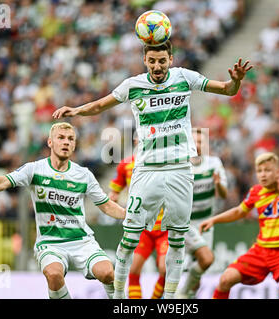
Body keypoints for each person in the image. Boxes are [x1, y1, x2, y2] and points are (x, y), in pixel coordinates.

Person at [53, 40, 253, 299]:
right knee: (129, 237)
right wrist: (76, 110)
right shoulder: (133, 85)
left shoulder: (185, 77)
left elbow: (227, 90)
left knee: (178, 239)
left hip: (180, 168)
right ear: (144, 61)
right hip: (146, 169)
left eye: (162, 60)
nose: (157, 66)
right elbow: (101, 105)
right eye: (152, 61)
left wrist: (236, 82)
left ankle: (169, 301)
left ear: (171, 59)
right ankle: (119, 298)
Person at [0, 122, 126, 299]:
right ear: (50, 142)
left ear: (74, 145)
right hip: (50, 242)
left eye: (70, 139)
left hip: (82, 241)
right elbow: (3, 181)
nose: (66, 142)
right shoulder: (35, 169)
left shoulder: (84, 175)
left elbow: (106, 205)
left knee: (107, 273)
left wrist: (127, 215)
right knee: (54, 274)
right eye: (61, 138)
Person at [200, 152, 279, 299]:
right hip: (261, 251)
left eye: (267, 170)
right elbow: (239, 211)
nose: (263, 175)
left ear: (277, 172)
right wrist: (214, 220)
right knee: (225, 279)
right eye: (259, 171)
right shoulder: (256, 192)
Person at [176, 128, 227, 298]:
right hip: (186, 224)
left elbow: (224, 194)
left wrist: (218, 184)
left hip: (206, 223)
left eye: (200, 142)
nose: (197, 145)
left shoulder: (214, 163)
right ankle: (179, 295)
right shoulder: (180, 163)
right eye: (194, 141)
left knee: (199, 273)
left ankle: (185, 295)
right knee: (206, 259)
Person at [108, 153, 168, 299]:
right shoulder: (126, 164)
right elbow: (115, 191)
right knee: (134, 269)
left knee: (165, 269)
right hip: (141, 228)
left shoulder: (165, 159)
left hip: (164, 227)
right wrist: (111, 199)